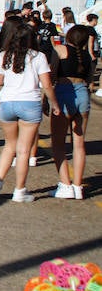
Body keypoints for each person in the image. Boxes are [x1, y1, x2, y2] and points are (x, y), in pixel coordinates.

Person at [0, 16, 61, 202]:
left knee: (9, 145)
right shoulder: (39, 57)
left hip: (7, 102)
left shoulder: (4, 54)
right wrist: (55, 104)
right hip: (30, 102)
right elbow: (46, 84)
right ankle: (20, 190)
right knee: (23, 151)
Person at [50, 24, 92, 200]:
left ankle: (65, 184)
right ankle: (77, 186)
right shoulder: (87, 56)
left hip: (63, 92)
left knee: (59, 144)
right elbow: (89, 79)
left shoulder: (60, 50)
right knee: (79, 144)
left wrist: (48, 100)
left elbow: (51, 75)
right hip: (82, 93)